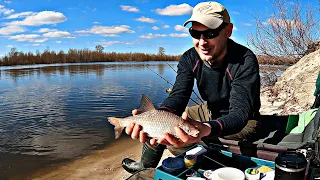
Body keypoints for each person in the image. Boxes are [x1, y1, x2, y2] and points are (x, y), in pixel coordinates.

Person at [122, 1, 261, 174]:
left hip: (245, 121)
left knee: (184, 140)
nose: (202, 42)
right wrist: (159, 114)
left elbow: (240, 113)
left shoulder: (245, 60)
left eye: (210, 33)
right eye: (195, 33)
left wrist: (206, 128)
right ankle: (145, 166)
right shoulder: (189, 58)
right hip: (210, 110)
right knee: (162, 119)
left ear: (228, 31)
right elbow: (179, 94)